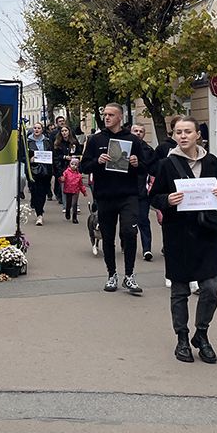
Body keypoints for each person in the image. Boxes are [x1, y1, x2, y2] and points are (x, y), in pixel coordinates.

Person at [150, 115, 217, 364]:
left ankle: (201, 333)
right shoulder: (167, 164)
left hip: (207, 233)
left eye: (187, 132)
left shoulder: (212, 161)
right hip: (179, 234)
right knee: (180, 290)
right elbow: (154, 197)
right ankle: (182, 338)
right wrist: (167, 201)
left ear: (197, 135)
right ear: (174, 136)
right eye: (178, 132)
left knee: (211, 287)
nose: (183, 136)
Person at [79, 103, 147, 295]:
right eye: (105, 114)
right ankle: (112, 275)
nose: (107, 117)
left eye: (111, 114)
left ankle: (130, 276)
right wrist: (98, 162)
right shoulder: (95, 139)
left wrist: (136, 163)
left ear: (120, 117)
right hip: (105, 195)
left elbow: (145, 167)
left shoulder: (132, 140)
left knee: (129, 232)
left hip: (128, 195)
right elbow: (84, 166)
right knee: (107, 237)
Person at [130, 124, 157, 262]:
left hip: (142, 192)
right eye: (136, 131)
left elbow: (153, 169)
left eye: (141, 131)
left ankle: (147, 249)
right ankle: (126, 245)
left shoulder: (148, 150)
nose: (138, 133)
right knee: (127, 222)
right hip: (126, 191)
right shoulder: (124, 147)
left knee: (143, 220)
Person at [25, 122, 52, 225]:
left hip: (45, 171)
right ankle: (39, 214)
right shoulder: (28, 142)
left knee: (43, 192)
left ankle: (40, 210)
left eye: (39, 128)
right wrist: (29, 159)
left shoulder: (47, 141)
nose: (36, 130)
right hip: (33, 171)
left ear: (42, 130)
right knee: (35, 192)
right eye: (35, 128)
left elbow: (51, 154)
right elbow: (22, 156)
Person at [53, 124, 82, 219]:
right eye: (62, 131)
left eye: (66, 131)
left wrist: (76, 159)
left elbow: (79, 153)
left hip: (74, 168)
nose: (64, 133)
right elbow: (56, 157)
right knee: (65, 188)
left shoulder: (74, 142)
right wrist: (64, 157)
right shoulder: (58, 143)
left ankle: (76, 206)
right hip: (63, 168)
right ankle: (66, 207)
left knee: (75, 188)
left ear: (69, 132)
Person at [60, 158, 87, 223]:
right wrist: (62, 179)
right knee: (68, 204)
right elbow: (62, 179)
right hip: (68, 190)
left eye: (75, 165)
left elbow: (81, 185)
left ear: (77, 166)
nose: (73, 166)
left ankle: (74, 218)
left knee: (74, 204)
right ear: (69, 164)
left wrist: (84, 192)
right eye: (72, 164)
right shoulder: (66, 172)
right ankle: (67, 211)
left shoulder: (79, 175)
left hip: (75, 191)